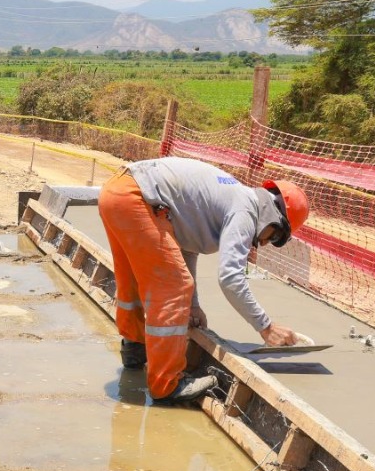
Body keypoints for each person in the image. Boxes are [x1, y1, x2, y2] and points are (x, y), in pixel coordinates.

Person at [99, 156, 309, 403]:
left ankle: (134, 348)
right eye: (274, 237)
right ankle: (166, 385)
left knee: (133, 278)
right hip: (138, 197)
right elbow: (230, 278)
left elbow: (185, 249)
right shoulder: (247, 210)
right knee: (174, 288)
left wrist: (194, 305)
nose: (264, 243)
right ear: (274, 219)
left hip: (116, 192)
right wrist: (266, 327)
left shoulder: (232, 199)